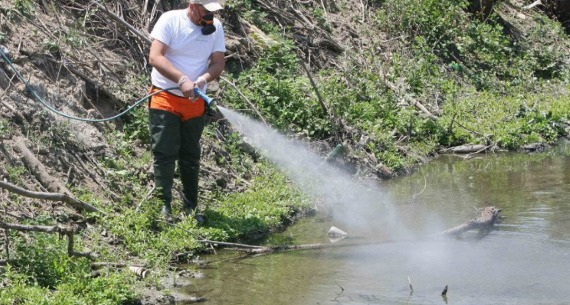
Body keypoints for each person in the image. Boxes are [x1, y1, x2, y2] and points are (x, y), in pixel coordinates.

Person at [148, 0, 226, 220]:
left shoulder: (216, 28)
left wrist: (202, 79)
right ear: (192, 5)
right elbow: (155, 56)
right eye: (205, 11)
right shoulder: (170, 20)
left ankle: (191, 207)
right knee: (164, 152)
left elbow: (218, 62)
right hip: (165, 96)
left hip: (194, 101)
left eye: (213, 12)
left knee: (190, 155)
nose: (209, 16)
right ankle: (164, 207)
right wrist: (181, 79)